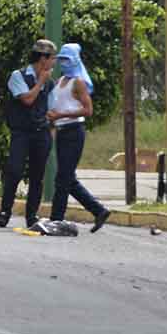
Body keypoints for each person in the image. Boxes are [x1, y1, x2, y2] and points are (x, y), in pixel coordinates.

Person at [48, 43, 111, 233]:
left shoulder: (79, 82)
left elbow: (87, 109)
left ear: (75, 60)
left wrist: (60, 116)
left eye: (68, 60)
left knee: (62, 179)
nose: (64, 63)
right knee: (68, 179)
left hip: (74, 131)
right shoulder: (60, 81)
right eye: (61, 60)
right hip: (61, 131)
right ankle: (99, 210)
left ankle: (56, 220)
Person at [0, 39, 57, 229]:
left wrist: (51, 134)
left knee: (37, 176)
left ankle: (32, 216)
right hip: (21, 132)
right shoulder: (18, 76)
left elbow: (52, 110)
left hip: (41, 133)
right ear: (42, 59)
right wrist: (40, 82)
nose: (54, 62)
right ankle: (5, 211)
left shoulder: (50, 83)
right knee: (14, 170)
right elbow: (28, 100)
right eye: (52, 58)